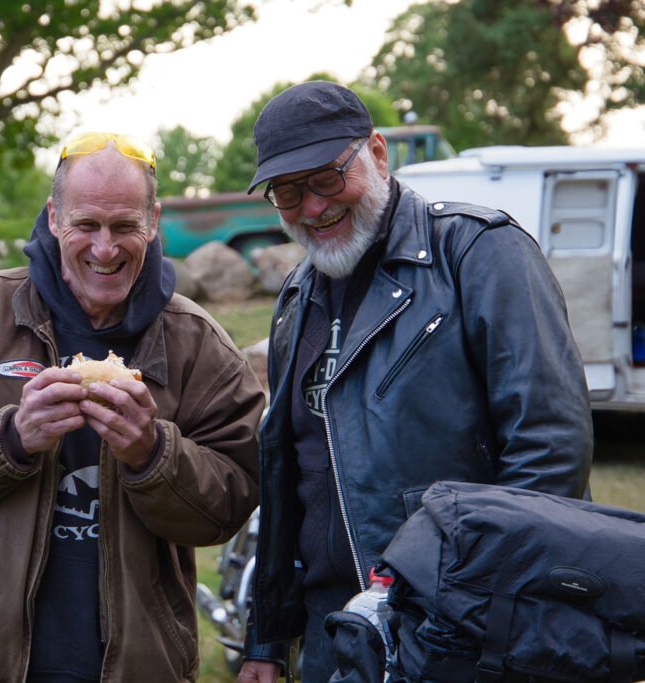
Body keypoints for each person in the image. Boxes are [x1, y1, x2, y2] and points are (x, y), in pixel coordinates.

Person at [0, 131, 266, 681]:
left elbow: (231, 499)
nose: (105, 249)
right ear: (54, 217)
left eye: (125, 226)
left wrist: (153, 455)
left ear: (152, 222)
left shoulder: (199, 344)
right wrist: (12, 437)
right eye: (87, 225)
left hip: (138, 665)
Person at [237, 81, 593, 683]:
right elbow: (287, 475)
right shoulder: (296, 297)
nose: (312, 207)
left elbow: (549, 452)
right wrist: (267, 640)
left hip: (456, 635)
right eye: (288, 192)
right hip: (337, 639)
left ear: (377, 153)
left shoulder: (478, 253)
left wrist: (471, 616)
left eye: (325, 178)